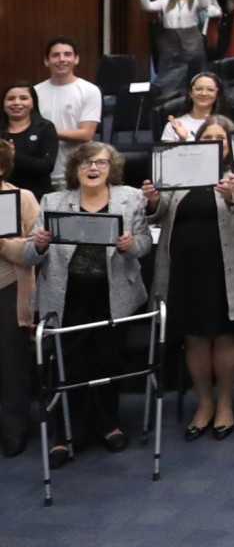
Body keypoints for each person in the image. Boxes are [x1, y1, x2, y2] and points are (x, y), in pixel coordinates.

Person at [144, 117, 234, 442]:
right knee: (195, 338)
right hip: (185, 270)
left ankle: (225, 404)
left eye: (221, 138)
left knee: (226, 337)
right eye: (208, 137)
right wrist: (154, 199)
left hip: (228, 270)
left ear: (230, 145)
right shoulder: (178, 169)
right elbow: (157, 213)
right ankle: (204, 404)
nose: (215, 142)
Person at [28, 142, 151, 464]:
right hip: (67, 294)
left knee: (106, 362)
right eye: (85, 164)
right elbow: (30, 253)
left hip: (113, 294)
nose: (93, 169)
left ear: (112, 168)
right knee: (69, 365)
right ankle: (65, 436)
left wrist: (130, 244)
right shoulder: (53, 201)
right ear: (75, 169)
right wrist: (39, 245)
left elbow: (145, 244)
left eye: (100, 163)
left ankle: (108, 424)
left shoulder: (131, 197)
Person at [0, 139, 42, 458]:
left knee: (11, 363)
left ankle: (15, 428)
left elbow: (35, 253)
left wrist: (2, 245)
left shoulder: (22, 198)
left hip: (10, 286)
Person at [136, 0, 215, 81]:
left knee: (194, 71)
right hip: (170, 40)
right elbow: (147, 6)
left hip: (192, 39)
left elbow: (205, 4)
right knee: (169, 72)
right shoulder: (165, 0)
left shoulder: (195, 0)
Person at [36, 37, 101, 169]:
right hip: (41, 168)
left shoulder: (89, 90)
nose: (62, 59)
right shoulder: (35, 92)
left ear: (76, 59)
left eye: (67, 54)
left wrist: (48, 131)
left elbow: (86, 133)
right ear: (46, 61)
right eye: (55, 55)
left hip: (76, 169)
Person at [2, 84, 59, 198]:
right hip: (4, 195)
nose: (17, 103)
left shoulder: (45, 127)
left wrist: (13, 156)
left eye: (23, 98)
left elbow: (46, 167)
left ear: (33, 103)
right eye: (11, 99)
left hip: (37, 195)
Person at [160, 70, 226, 142]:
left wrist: (187, 138)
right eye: (198, 89)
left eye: (210, 90)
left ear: (217, 95)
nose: (204, 93)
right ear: (190, 93)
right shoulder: (173, 126)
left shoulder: (225, 125)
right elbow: (169, 153)